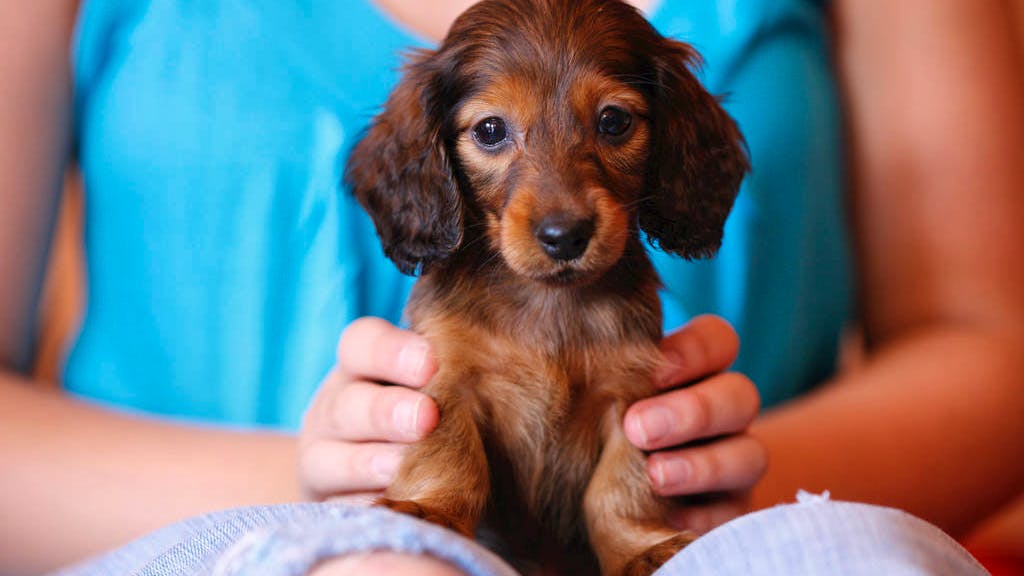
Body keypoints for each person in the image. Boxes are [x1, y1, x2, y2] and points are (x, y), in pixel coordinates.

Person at [1, 0, 1022, 574]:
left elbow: (992, 338)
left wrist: (704, 481)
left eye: (613, 122)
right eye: (491, 134)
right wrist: (358, 505)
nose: (560, 200)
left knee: (839, 563)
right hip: (210, 537)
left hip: (731, 530)